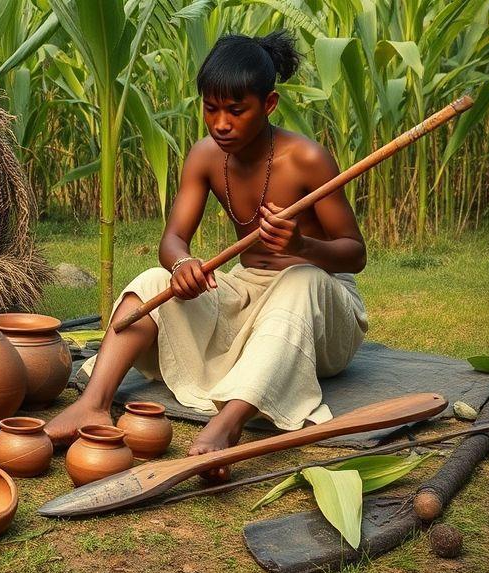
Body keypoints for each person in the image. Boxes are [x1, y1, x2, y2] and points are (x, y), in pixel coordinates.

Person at [44, 30, 369, 481]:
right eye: (211, 108)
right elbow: (172, 240)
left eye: (236, 111)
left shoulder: (308, 159)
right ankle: (93, 404)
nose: (220, 123)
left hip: (322, 308)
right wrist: (181, 265)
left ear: (269, 104)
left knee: (301, 278)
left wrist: (301, 247)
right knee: (153, 282)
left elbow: (355, 255)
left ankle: (228, 424)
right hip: (247, 292)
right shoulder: (204, 157)